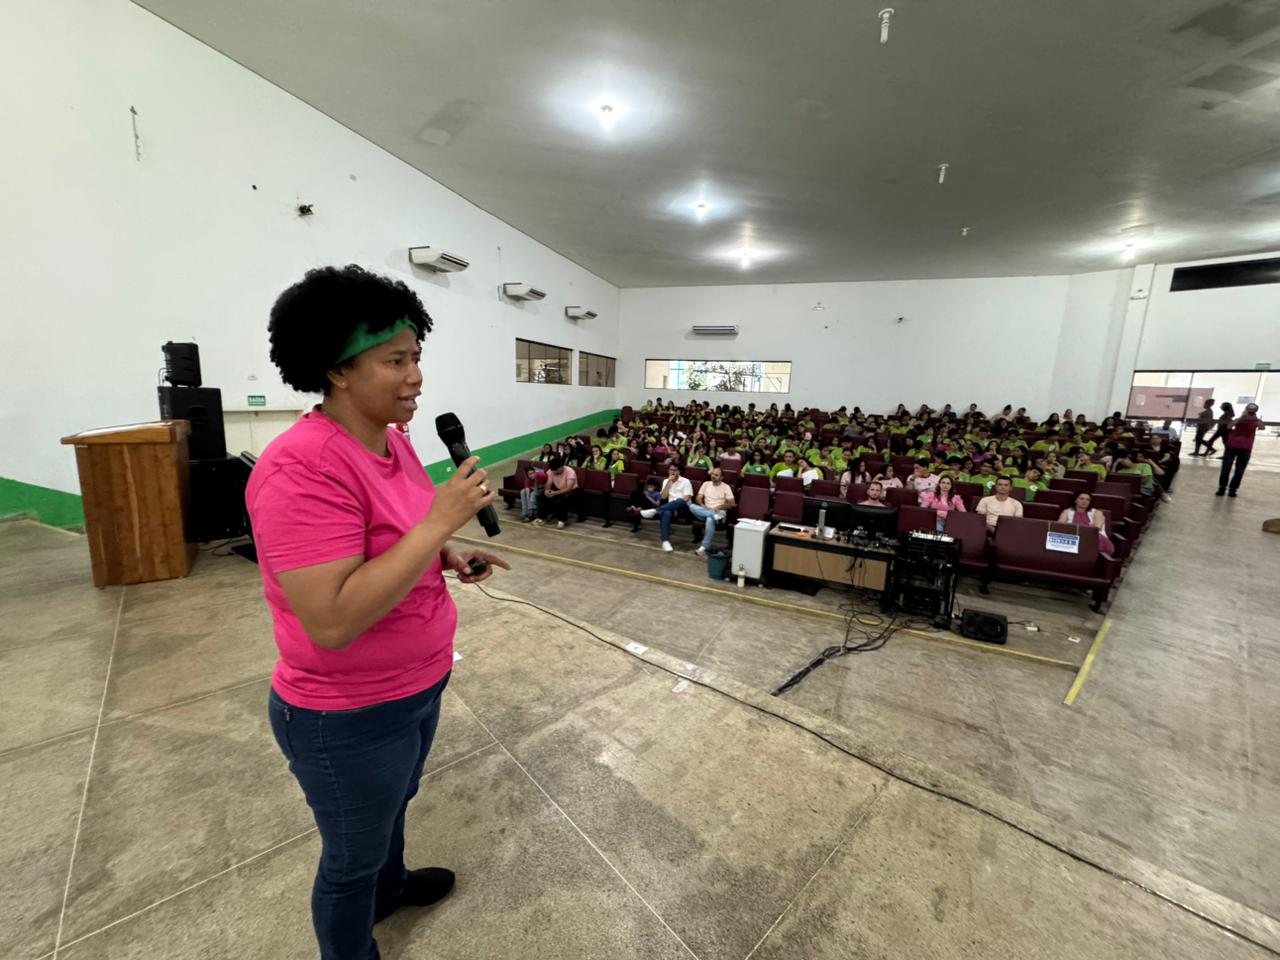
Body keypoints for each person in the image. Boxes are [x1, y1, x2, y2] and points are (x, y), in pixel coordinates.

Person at [248, 265, 510, 960]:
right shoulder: (299, 469)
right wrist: (437, 525)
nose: (415, 375)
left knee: (394, 809)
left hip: (417, 683)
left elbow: (388, 540)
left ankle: (390, 889)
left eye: (416, 356)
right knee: (348, 861)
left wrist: (442, 553)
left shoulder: (390, 439)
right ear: (336, 370)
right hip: (346, 712)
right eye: (395, 360)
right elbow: (330, 619)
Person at [635, 463, 695, 552]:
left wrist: (675, 503)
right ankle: (665, 541)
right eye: (671, 470)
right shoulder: (666, 481)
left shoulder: (686, 481)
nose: (672, 472)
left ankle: (655, 511)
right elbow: (663, 497)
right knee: (666, 513)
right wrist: (668, 483)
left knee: (679, 500)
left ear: (679, 471)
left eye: (675, 470)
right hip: (670, 507)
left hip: (683, 507)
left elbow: (686, 498)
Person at [1217, 402, 1264, 498]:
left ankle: (1222, 489)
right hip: (1244, 447)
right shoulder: (1255, 421)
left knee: (1227, 467)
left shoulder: (1241, 420)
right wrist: (1254, 419)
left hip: (1233, 446)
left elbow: (1229, 426)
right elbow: (1262, 427)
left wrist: (1242, 418)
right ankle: (1232, 490)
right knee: (1239, 469)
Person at [691, 467, 736, 556]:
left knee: (709, 519)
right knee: (691, 506)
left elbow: (732, 503)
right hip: (705, 510)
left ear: (722, 477)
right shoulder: (706, 484)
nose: (713, 476)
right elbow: (698, 498)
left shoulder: (726, 487)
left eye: (716, 475)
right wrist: (703, 505)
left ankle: (704, 547)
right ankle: (713, 515)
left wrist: (720, 506)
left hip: (720, 512)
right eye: (712, 474)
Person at [1058, 491, 1114, 556]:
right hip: (1074, 540)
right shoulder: (1067, 512)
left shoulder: (1097, 513)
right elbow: (1059, 527)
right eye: (1081, 499)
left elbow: (1096, 529)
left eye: (1087, 500)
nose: (1085, 501)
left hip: (1096, 540)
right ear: (1075, 500)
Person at [535, 456, 577, 527]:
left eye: (556, 470)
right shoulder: (551, 470)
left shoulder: (570, 471)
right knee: (543, 495)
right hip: (557, 488)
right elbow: (549, 483)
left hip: (571, 491)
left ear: (561, 467)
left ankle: (562, 520)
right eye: (553, 470)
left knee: (564, 498)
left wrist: (555, 493)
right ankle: (541, 518)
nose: (554, 472)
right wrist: (547, 490)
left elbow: (568, 488)